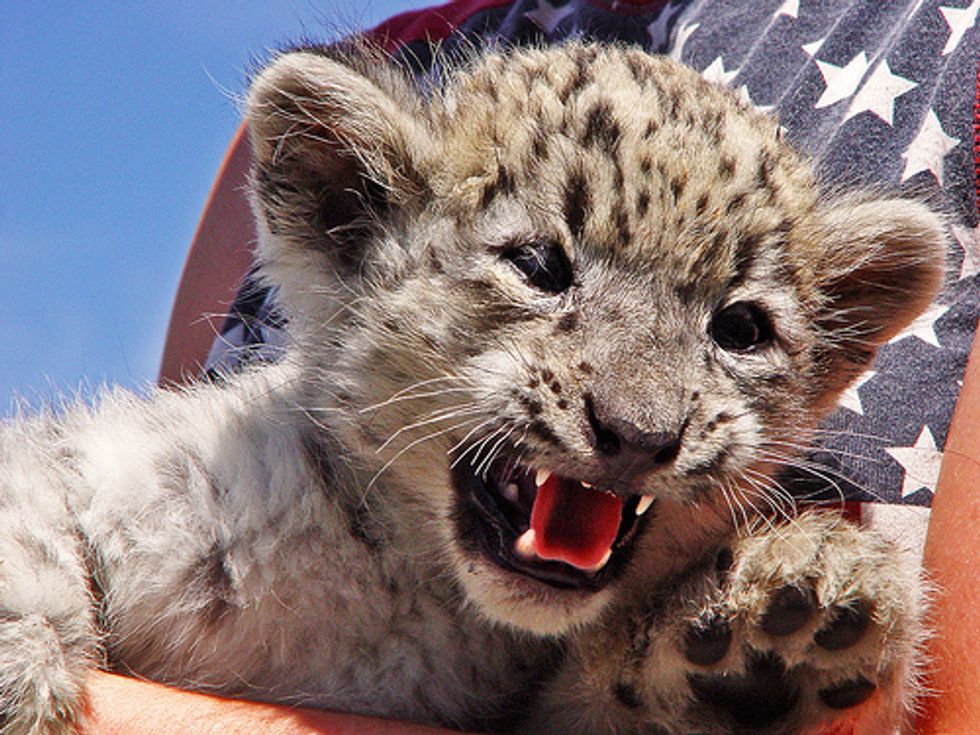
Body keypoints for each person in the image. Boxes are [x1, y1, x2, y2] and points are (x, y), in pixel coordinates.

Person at [94, 1, 980, 732]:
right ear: (343, 216)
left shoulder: (946, 48)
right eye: (542, 270)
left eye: (741, 328)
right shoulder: (395, 61)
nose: (642, 416)